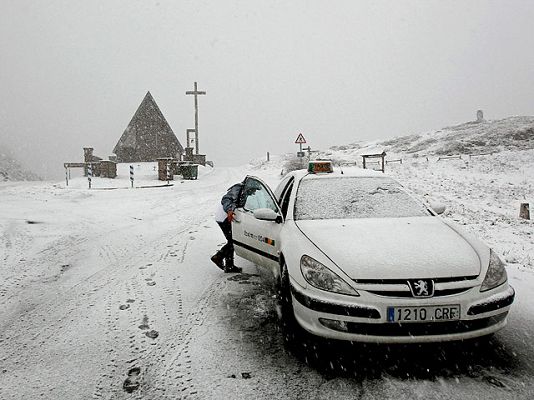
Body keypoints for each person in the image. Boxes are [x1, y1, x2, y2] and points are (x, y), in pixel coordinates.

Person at [211, 181, 245, 273]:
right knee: (233, 241)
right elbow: (226, 199)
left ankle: (229, 266)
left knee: (232, 240)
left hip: (226, 216)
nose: (253, 193)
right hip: (224, 217)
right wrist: (229, 210)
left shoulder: (244, 190)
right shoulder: (239, 188)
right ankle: (218, 257)